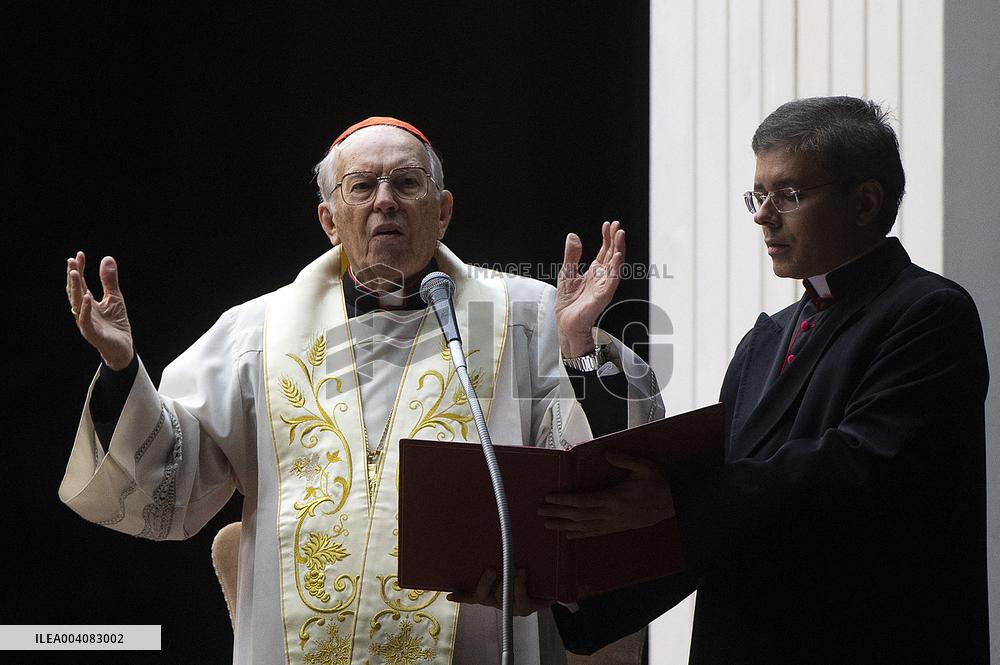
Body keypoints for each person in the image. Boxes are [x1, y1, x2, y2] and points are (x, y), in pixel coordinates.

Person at [60, 117, 663, 665]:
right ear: (328, 219)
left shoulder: (527, 317)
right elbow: (174, 481)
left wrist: (580, 349)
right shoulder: (257, 333)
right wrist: (121, 371)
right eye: (361, 187)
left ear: (443, 209)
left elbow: (610, 478)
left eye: (406, 183)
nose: (384, 202)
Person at [545, 97, 990, 664]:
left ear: (865, 201)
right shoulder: (764, 341)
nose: (763, 215)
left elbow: (857, 471)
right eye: (759, 196)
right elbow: (717, 516)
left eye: (790, 195)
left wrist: (676, 499)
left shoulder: (928, 312)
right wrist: (560, 592)